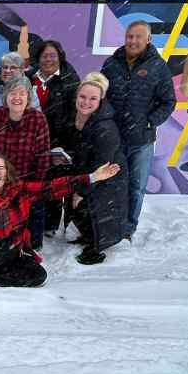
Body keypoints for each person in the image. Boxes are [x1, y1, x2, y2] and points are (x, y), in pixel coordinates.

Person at [0, 154, 120, 296]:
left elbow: (53, 187)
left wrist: (92, 177)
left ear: (7, 171)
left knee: (37, 275)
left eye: (0, 168)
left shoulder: (21, 191)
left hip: (10, 252)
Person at [102, 20, 175, 240]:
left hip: (142, 141)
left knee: (136, 187)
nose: (132, 41)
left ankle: (128, 229)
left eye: (138, 37)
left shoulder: (158, 67)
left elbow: (169, 101)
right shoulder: (111, 64)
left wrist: (150, 122)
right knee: (112, 184)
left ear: (148, 40)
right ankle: (110, 226)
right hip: (114, 139)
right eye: (129, 36)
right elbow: (100, 95)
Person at [0, 74, 50, 250]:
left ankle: (32, 246)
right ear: (5, 97)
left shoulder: (38, 119)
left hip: (26, 180)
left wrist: (36, 185)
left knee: (33, 213)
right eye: (12, 93)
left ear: (28, 97)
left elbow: (43, 156)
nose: (17, 98)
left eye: (22, 93)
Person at [58, 72, 129, 264]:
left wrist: (81, 191)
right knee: (74, 197)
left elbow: (101, 166)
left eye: (92, 98)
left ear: (100, 100)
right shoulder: (75, 116)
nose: (86, 102)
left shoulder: (105, 127)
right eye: (82, 96)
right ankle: (87, 234)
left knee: (88, 204)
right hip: (88, 171)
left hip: (108, 178)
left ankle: (97, 246)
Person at [27, 40, 80, 235]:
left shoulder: (69, 79)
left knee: (56, 182)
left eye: (53, 56)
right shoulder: (30, 77)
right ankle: (34, 221)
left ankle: (50, 225)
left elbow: (75, 111)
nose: (48, 59)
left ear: (60, 57)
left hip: (59, 140)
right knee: (36, 180)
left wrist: (64, 140)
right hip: (33, 139)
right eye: (44, 56)